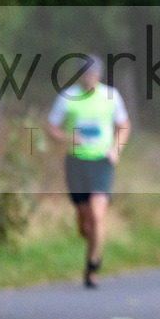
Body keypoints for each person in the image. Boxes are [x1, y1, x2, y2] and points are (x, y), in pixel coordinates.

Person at [45, 55, 131, 289]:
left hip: (101, 162)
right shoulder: (68, 98)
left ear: (99, 75)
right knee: (85, 224)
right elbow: (51, 128)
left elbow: (124, 126)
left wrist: (116, 148)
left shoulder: (111, 97)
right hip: (76, 162)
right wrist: (67, 137)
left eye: (93, 74)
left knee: (97, 214)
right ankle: (92, 240)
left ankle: (92, 266)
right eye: (85, 74)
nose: (89, 78)